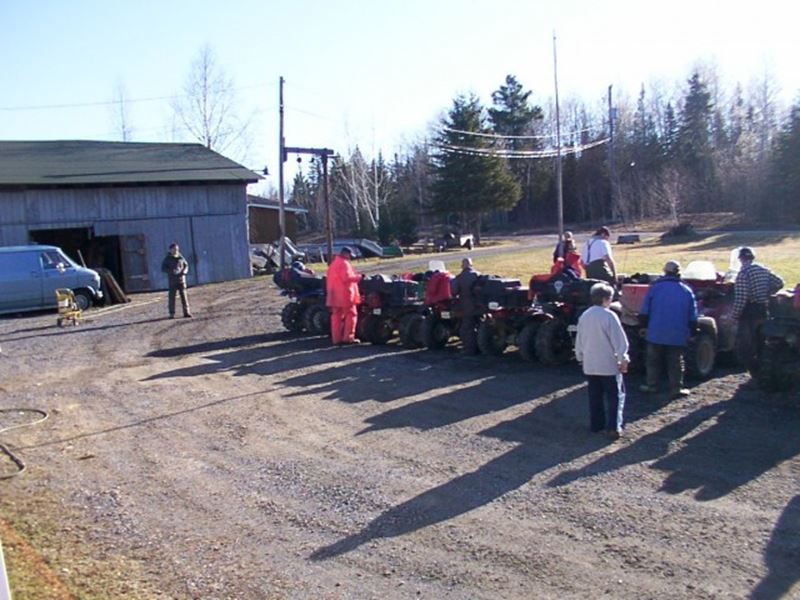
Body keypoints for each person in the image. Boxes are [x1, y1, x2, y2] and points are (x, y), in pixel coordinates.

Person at [574, 282, 629, 439]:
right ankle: (613, 427)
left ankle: (596, 425)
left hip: (590, 365)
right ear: (606, 299)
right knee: (615, 397)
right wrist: (623, 359)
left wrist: (580, 357)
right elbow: (619, 342)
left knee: (595, 396)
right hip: (608, 365)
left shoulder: (584, 316)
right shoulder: (609, 316)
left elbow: (580, 340)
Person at [638, 260, 698, 399]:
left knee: (653, 360)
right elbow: (693, 315)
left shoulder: (655, 288)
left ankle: (651, 385)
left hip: (655, 332)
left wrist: (643, 326)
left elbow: (644, 310)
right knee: (676, 361)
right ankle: (676, 388)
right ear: (678, 273)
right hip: (677, 334)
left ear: (664, 271)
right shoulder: (686, 290)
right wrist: (693, 332)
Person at [730, 247, 784, 372]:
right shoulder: (763, 269)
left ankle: (754, 372)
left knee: (745, 346)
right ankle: (763, 368)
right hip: (763, 309)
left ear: (740, 258)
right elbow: (780, 282)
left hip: (749, 311)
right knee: (761, 342)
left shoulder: (743, 273)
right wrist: (767, 293)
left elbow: (741, 298)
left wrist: (734, 316)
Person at [326, 247, 362, 345]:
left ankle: (336, 339)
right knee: (351, 315)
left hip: (334, 296)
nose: (350, 257)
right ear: (346, 254)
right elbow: (346, 278)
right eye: (350, 255)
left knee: (336, 316)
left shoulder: (333, 264)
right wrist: (358, 277)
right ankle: (348, 338)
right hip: (345, 295)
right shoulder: (344, 264)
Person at [160, 243, 191, 319]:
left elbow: (186, 265)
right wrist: (171, 271)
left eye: (177, 249)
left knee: (184, 297)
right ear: (170, 250)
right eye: (174, 249)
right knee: (172, 297)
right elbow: (163, 268)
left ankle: (186, 312)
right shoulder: (167, 259)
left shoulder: (180, 257)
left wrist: (184, 271)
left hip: (181, 280)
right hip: (172, 281)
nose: (175, 251)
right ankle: (172, 313)